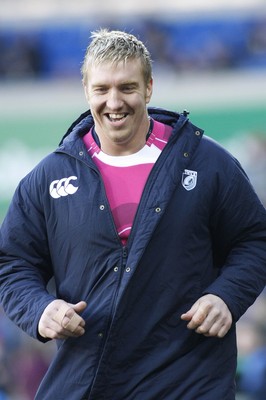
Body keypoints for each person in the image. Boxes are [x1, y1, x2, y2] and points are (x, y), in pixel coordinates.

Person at [0, 28, 266, 400]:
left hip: (188, 381)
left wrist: (226, 296)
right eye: (102, 89)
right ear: (86, 91)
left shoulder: (207, 163)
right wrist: (40, 310)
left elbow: (255, 240)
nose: (114, 102)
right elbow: (11, 263)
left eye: (127, 87)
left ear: (149, 88)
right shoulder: (50, 177)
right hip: (89, 382)